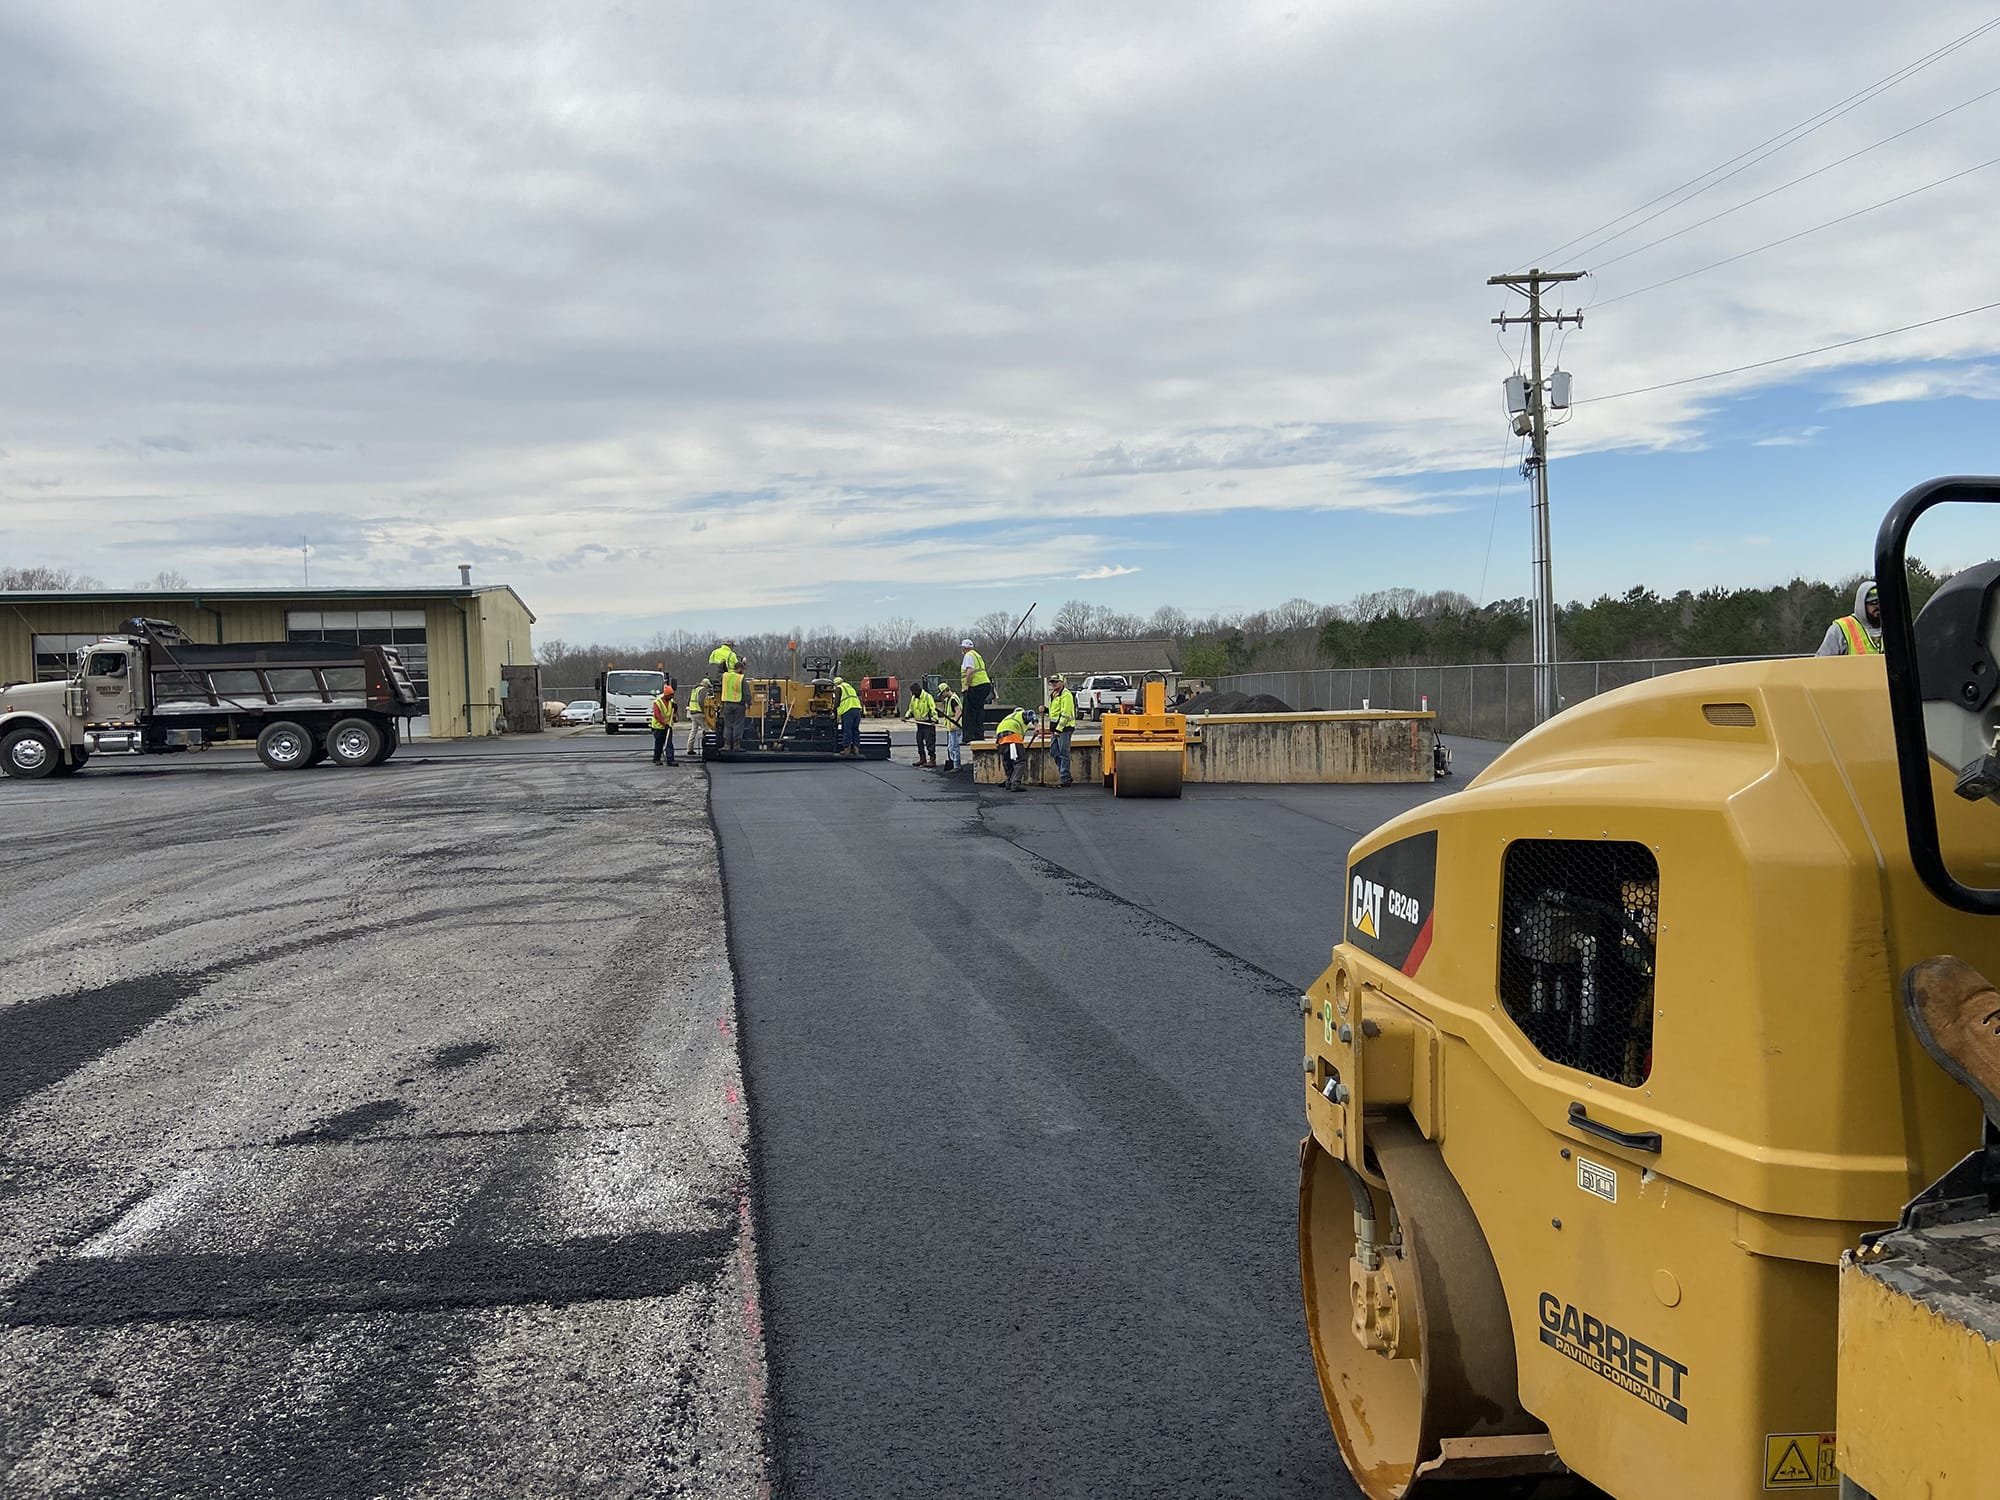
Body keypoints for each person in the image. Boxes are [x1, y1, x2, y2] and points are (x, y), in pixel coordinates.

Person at [1817, 580, 1883, 656]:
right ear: (1862, 605)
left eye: (1880, 602)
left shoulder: (1895, 628)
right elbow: (1822, 663)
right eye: (1873, 603)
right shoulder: (1840, 629)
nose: (1877, 606)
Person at [1045, 674, 1077, 788]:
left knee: (1064, 753)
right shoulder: (1054, 694)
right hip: (1055, 729)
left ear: (1062, 682)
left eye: (1056, 682)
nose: (1054, 684)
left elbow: (1065, 714)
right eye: (1052, 682)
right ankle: (1065, 774)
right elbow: (1055, 712)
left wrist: (1059, 729)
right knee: (1054, 751)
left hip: (1064, 729)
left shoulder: (1066, 695)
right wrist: (1045, 710)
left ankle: (1065, 778)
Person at [993, 706, 1035, 791]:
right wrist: (1037, 726)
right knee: (1020, 760)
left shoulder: (1008, 718)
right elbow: (1031, 714)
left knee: (1008, 761)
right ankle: (1015, 783)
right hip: (1012, 737)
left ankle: (1009, 781)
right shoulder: (1021, 714)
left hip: (1001, 739)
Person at [960, 637, 991, 746]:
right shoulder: (977, 655)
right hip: (985, 684)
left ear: (965, 648)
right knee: (978, 710)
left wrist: (966, 686)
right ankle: (979, 734)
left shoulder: (968, 656)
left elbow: (970, 671)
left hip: (976, 686)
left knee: (969, 712)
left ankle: (968, 737)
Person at [908, 680, 939, 767]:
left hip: (928, 723)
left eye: (913, 692)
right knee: (919, 741)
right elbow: (911, 708)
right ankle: (922, 758)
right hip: (919, 723)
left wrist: (934, 719)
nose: (912, 694)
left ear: (917, 691)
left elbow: (933, 708)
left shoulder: (927, 697)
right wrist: (907, 716)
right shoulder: (914, 698)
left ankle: (932, 759)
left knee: (930, 742)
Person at [720, 663, 748, 751]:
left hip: (727, 704)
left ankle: (727, 745)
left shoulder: (725, 676)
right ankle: (736, 745)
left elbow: (718, 675)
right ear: (739, 668)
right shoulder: (740, 678)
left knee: (728, 724)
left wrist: (722, 664)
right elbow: (746, 691)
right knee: (738, 724)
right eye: (742, 669)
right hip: (738, 704)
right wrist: (749, 702)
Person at [834, 675, 864, 756]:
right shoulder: (850, 687)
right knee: (855, 730)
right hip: (857, 710)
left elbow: (837, 702)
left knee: (847, 730)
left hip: (848, 711)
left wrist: (834, 710)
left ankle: (846, 749)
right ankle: (856, 749)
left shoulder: (839, 688)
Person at [649, 680, 678, 765]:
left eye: (672, 695)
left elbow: (674, 713)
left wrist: (675, 713)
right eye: (670, 696)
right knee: (659, 743)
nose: (671, 697)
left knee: (669, 743)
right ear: (666, 695)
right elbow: (657, 715)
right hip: (658, 727)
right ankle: (656, 759)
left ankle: (670, 760)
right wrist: (664, 723)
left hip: (668, 725)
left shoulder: (671, 702)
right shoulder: (657, 702)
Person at [938, 684, 964, 771]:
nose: (942, 695)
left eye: (942, 693)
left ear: (946, 690)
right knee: (950, 746)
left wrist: (954, 723)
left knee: (954, 746)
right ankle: (953, 763)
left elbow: (958, 711)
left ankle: (957, 765)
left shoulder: (953, 699)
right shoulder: (948, 699)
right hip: (951, 726)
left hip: (955, 726)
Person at [687, 678, 710, 759]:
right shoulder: (703, 690)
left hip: (692, 712)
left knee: (693, 731)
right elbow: (701, 701)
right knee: (707, 730)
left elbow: (689, 700)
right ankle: (708, 748)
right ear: (706, 684)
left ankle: (690, 748)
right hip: (699, 713)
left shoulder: (695, 689)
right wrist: (705, 711)